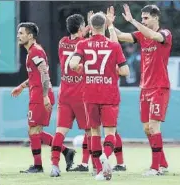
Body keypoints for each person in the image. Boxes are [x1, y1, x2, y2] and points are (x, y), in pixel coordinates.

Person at [69, 11, 129, 181]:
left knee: (94, 132)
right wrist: (112, 70)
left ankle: (98, 170)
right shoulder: (114, 46)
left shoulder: (82, 44)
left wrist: (82, 68)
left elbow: (73, 64)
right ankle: (105, 156)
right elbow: (125, 71)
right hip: (109, 94)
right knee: (110, 132)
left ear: (91, 26)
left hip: (89, 94)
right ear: (104, 25)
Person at [113, 4, 172, 176]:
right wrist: (108, 24)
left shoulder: (165, 34)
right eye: (142, 18)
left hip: (159, 87)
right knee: (147, 129)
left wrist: (132, 20)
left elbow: (154, 35)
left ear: (156, 17)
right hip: (144, 88)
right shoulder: (141, 35)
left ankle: (155, 168)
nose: (144, 21)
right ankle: (163, 163)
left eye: (146, 18)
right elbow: (120, 36)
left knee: (154, 127)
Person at [11, 22, 75, 173]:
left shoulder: (35, 52)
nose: (18, 36)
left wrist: (45, 96)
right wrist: (21, 86)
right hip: (37, 94)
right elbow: (35, 77)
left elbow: (45, 75)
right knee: (34, 131)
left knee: (34, 130)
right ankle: (66, 151)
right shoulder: (32, 52)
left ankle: (38, 166)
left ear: (30, 36)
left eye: (21, 33)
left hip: (40, 96)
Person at [50, 14, 95, 177]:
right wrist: (93, 26)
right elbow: (89, 43)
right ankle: (86, 163)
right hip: (81, 95)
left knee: (60, 132)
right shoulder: (84, 44)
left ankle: (54, 165)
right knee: (90, 132)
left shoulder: (62, 42)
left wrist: (87, 26)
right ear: (80, 27)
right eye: (83, 25)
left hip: (65, 95)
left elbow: (78, 37)